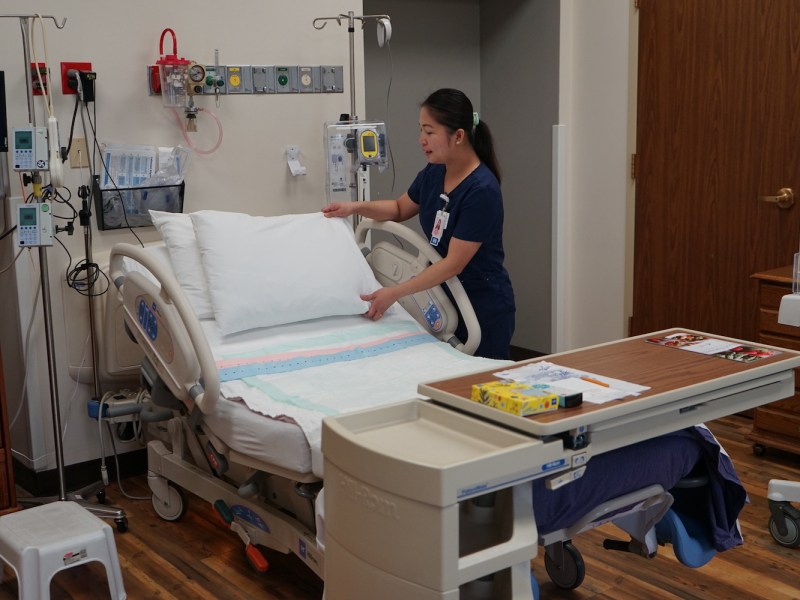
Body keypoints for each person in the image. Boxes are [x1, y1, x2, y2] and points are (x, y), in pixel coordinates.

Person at [322, 88, 515, 359]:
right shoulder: (436, 172)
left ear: (458, 136)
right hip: (441, 298)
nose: (421, 140)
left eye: (429, 131)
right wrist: (354, 207)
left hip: (480, 305)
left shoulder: (481, 190)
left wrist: (395, 292)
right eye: (421, 130)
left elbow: (453, 263)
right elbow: (400, 208)